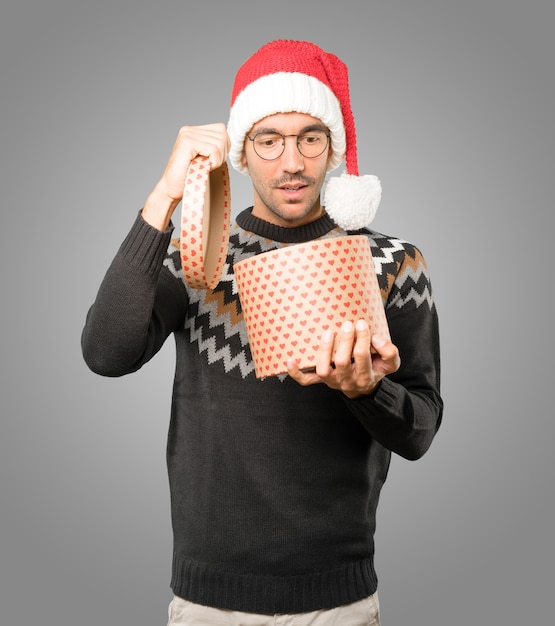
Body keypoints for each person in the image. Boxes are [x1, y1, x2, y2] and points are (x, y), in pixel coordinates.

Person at [81, 40, 443, 626]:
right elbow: (106, 353)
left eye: (309, 138)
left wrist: (364, 390)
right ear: (243, 153)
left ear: (333, 151)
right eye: (268, 140)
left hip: (340, 600)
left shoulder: (392, 262)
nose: (292, 162)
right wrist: (165, 198)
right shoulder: (197, 256)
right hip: (208, 600)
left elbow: (421, 428)